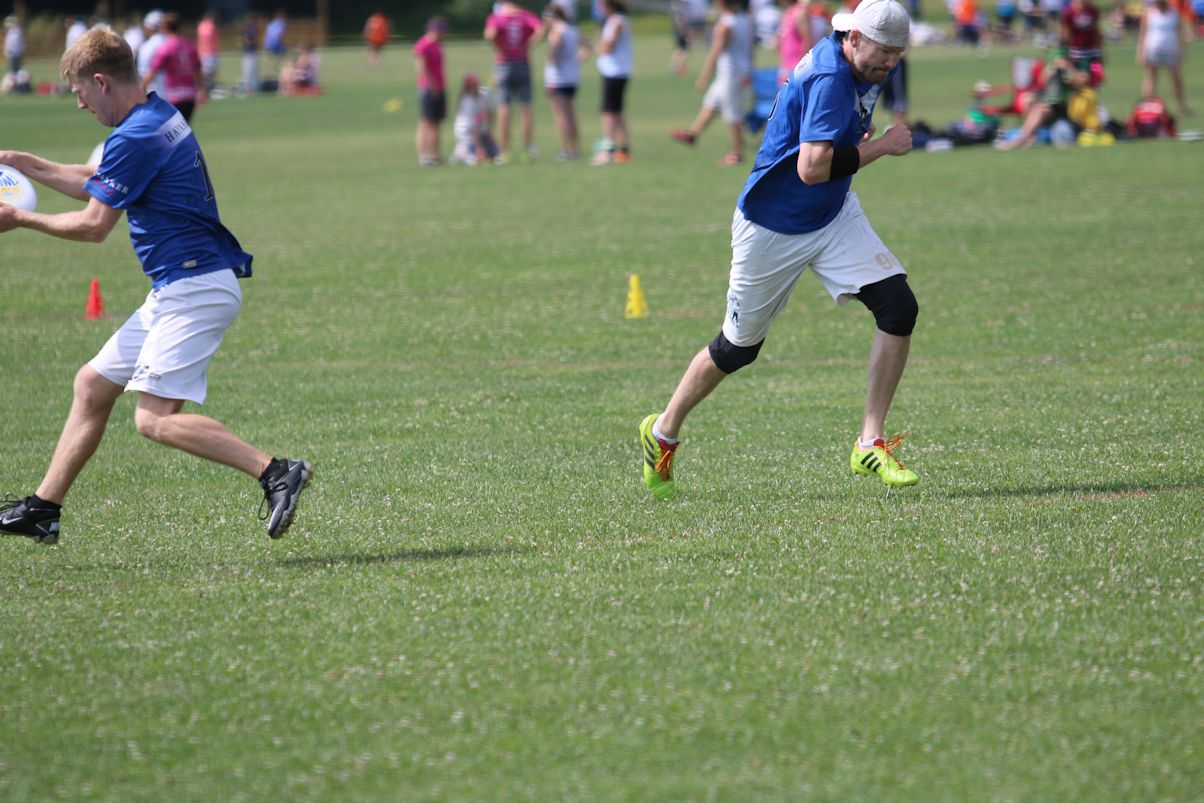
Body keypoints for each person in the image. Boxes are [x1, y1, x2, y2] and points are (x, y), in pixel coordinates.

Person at [0, 28, 312, 546]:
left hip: (195, 288)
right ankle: (43, 509)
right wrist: (20, 163)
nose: (79, 104)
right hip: (180, 286)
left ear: (101, 82)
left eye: (80, 93)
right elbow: (96, 177)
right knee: (92, 384)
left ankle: (277, 472)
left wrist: (19, 219)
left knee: (154, 421)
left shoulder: (135, 136)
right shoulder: (157, 114)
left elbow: (93, 225)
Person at [639, 0, 921, 500]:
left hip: (831, 214)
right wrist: (883, 145)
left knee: (899, 307)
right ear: (855, 39)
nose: (889, 63)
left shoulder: (862, 58)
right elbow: (811, 168)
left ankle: (869, 443)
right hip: (773, 226)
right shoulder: (831, 77)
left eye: (897, 54)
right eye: (883, 52)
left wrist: (854, 133)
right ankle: (662, 431)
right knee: (737, 350)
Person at [670, 0, 756, 166]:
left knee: (733, 115)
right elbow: (751, 48)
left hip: (731, 74)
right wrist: (750, 69)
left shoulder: (724, 25)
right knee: (711, 104)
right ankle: (693, 134)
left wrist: (704, 76)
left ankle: (736, 153)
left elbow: (716, 51)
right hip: (738, 73)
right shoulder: (745, 20)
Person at [484, 1, 543, 163]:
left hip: (503, 63)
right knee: (525, 107)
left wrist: (499, 48)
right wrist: (528, 45)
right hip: (522, 62)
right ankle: (527, 150)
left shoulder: (497, 17)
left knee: (504, 107)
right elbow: (540, 30)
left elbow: (489, 35)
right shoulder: (526, 16)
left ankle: (504, 152)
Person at [593, 0, 634, 165]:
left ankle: (608, 150)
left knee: (608, 111)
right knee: (617, 111)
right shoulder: (614, 19)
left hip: (615, 72)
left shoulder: (616, 20)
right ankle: (623, 149)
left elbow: (609, 46)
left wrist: (599, 47)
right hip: (616, 71)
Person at [142, 14, 203, 122]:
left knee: (173, 128)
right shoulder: (189, 46)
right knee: (183, 126)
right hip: (190, 95)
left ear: (164, 28)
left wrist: (141, 88)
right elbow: (197, 70)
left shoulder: (165, 48)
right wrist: (202, 89)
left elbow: (152, 72)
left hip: (174, 96)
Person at [543, 3, 584, 160]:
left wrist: (553, 59)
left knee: (561, 116)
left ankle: (567, 149)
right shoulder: (572, 29)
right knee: (571, 114)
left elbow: (554, 49)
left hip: (558, 79)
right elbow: (587, 45)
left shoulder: (557, 31)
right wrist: (576, 60)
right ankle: (576, 148)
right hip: (572, 78)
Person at [1137, 0, 1191, 116]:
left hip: (1171, 50)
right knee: (1151, 78)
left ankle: (1181, 107)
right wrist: (1141, 52)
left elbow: (1179, 31)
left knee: (1176, 79)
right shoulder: (1149, 13)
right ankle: (1148, 107)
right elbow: (1143, 33)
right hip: (1153, 50)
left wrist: (1183, 49)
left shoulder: (1174, 12)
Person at [414, 18, 448, 166]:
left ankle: (435, 155)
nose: (443, 35)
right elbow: (421, 69)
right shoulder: (423, 45)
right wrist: (433, 86)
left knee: (436, 122)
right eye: (441, 32)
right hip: (428, 88)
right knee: (426, 122)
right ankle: (423, 156)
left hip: (439, 87)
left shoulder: (438, 45)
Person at [451, 73, 501, 165]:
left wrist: (489, 131)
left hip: (480, 129)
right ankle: (461, 152)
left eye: (478, 84)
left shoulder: (484, 95)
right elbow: (471, 128)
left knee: (495, 154)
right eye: (475, 85)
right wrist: (479, 148)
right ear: (469, 88)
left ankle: (469, 151)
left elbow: (490, 112)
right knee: (474, 159)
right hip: (466, 132)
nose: (477, 87)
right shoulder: (467, 102)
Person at [778, 0, 814, 86]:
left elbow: (807, 39)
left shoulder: (800, 12)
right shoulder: (787, 12)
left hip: (797, 67)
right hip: (785, 66)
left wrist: (801, 66)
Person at [671, 0, 710, 77]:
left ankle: (676, 65)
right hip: (687, 23)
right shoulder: (682, 7)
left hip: (692, 22)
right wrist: (685, 26)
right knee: (687, 47)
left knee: (684, 47)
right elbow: (679, 6)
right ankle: (678, 66)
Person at [137, 11, 166, 98]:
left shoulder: (147, 46)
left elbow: (143, 74)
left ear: (148, 27)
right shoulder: (171, 43)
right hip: (174, 94)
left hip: (155, 94)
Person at [197, 11, 220, 93]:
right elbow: (209, 37)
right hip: (208, 52)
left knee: (210, 71)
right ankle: (206, 87)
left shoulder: (201, 25)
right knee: (208, 71)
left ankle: (208, 86)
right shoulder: (209, 26)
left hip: (207, 52)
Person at [241, 13, 260, 95]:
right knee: (247, 72)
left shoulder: (255, 29)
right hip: (247, 52)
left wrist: (251, 41)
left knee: (254, 71)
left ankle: (254, 89)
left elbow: (254, 39)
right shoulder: (246, 29)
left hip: (253, 52)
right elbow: (245, 40)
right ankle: (247, 89)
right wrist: (250, 41)